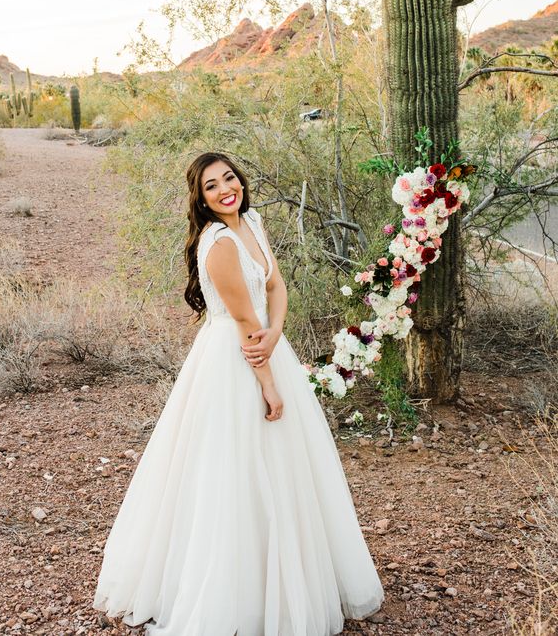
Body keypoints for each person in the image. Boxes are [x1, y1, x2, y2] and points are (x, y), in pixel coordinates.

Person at [93, 151, 384, 635]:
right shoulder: (220, 244)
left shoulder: (251, 220)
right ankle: (233, 590)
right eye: (212, 186)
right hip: (234, 361)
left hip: (266, 347)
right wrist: (269, 382)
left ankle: (287, 578)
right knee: (232, 471)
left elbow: (275, 285)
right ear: (201, 200)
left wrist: (278, 333)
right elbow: (246, 322)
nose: (226, 189)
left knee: (283, 468)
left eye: (229, 178)